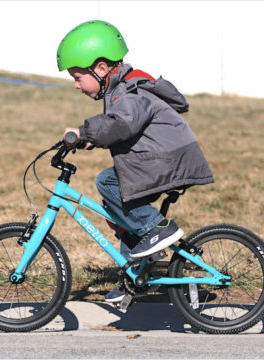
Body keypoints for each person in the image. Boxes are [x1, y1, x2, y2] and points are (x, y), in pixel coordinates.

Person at [55, 20, 214, 303]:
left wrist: (83, 131)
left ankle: (159, 229)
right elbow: (120, 127)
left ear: (101, 68)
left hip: (168, 161)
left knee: (108, 181)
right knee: (123, 206)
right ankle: (133, 276)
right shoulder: (121, 90)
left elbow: (122, 123)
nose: (77, 86)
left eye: (78, 78)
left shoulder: (129, 90)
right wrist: (91, 139)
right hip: (162, 160)